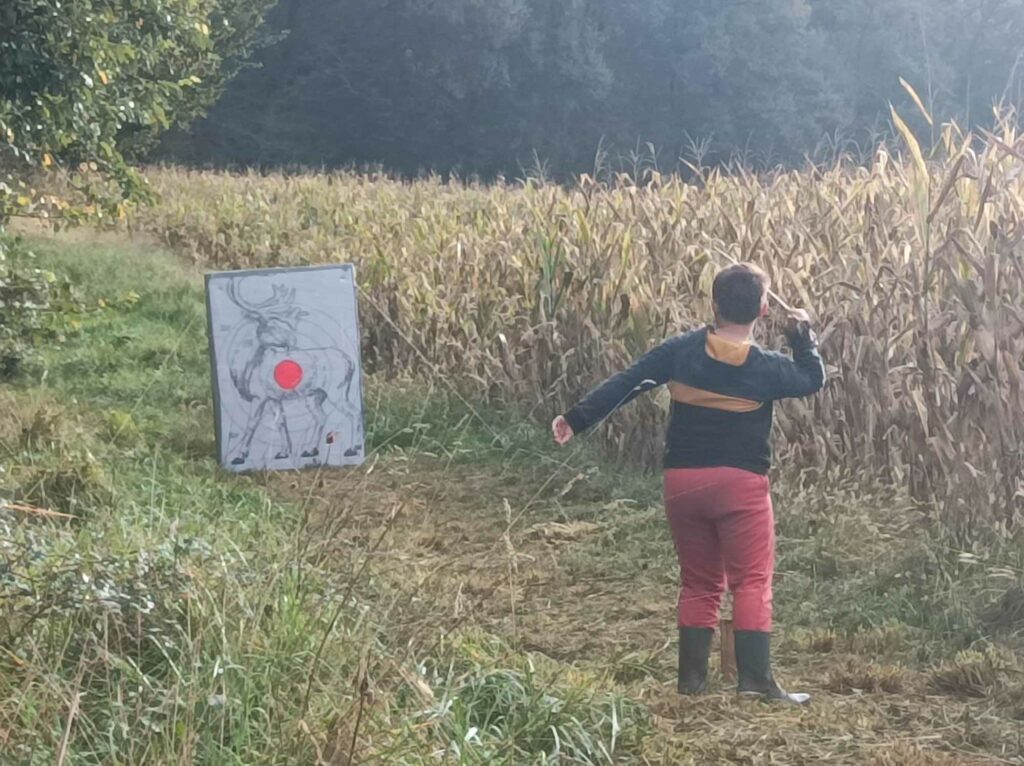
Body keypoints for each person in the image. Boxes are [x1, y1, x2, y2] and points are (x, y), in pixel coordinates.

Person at [552, 263, 825, 704]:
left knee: (699, 583)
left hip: (683, 483)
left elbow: (628, 382)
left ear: (714, 305)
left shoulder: (681, 351)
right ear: (763, 309)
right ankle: (755, 683)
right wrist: (802, 335)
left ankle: (691, 685)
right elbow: (813, 378)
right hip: (740, 485)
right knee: (751, 582)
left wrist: (575, 419)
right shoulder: (767, 367)